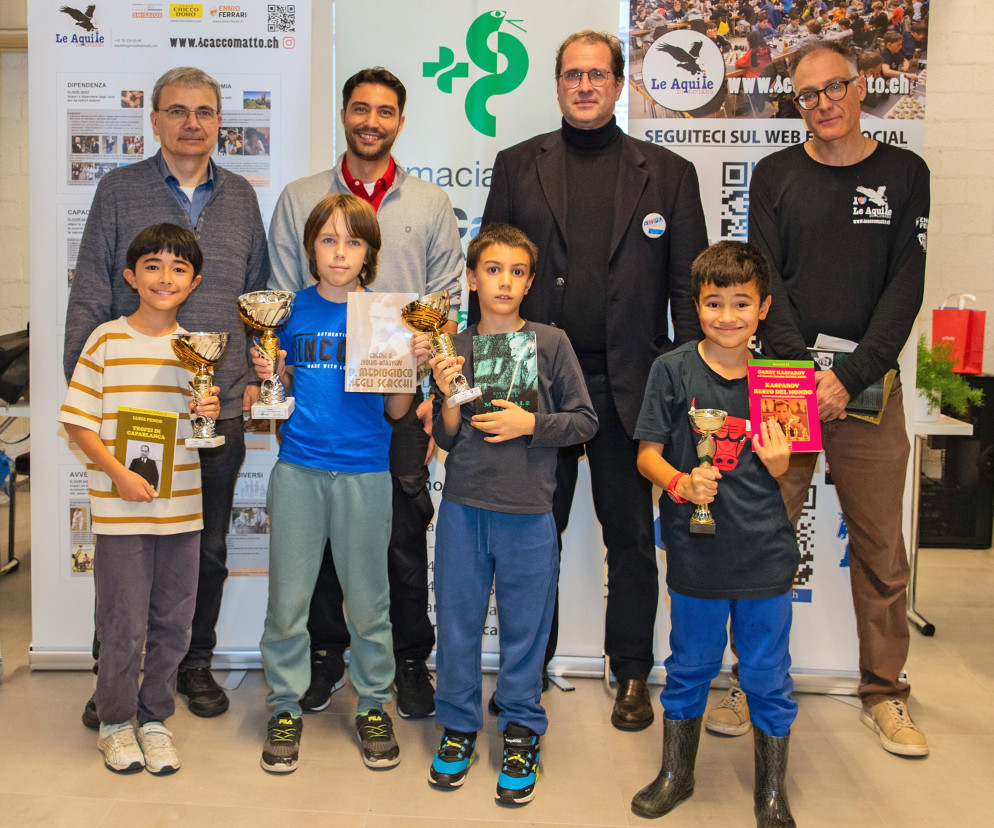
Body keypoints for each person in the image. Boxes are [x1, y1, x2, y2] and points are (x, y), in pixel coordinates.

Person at [481, 30, 708, 732]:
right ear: (557, 84)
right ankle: (527, 670)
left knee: (632, 537)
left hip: (628, 389)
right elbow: (488, 279)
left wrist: (688, 390)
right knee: (531, 537)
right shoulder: (519, 165)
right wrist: (483, 382)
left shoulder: (667, 173)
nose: (585, 85)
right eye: (573, 74)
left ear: (617, 85)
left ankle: (633, 673)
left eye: (598, 74)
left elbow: (687, 292)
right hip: (534, 388)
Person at [715, 41, 930, 757]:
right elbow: (764, 281)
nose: (824, 103)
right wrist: (808, 377)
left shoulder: (906, 173)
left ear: (861, 84)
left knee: (879, 548)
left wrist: (853, 373)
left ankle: (884, 692)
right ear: (795, 103)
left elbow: (905, 289)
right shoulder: (775, 175)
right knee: (762, 537)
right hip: (784, 385)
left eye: (835, 87)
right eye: (808, 95)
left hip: (871, 387)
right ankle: (751, 681)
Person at [64, 66, 270, 727]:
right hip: (135, 416)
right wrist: (88, 391)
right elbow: (92, 294)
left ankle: (193, 663)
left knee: (202, 548)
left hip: (217, 410)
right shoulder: (119, 190)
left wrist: (256, 369)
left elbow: (256, 295)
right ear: (153, 121)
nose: (192, 122)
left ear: (219, 124)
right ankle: (114, 681)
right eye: (177, 111)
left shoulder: (240, 197)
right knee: (130, 553)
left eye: (205, 112)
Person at [267, 67, 463, 719]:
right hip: (318, 401)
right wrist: (278, 378)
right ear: (344, 115)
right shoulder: (299, 197)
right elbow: (282, 301)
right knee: (313, 551)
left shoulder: (431, 204)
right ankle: (323, 658)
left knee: (401, 539)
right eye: (360, 109)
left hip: (395, 398)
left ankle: (407, 662)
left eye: (385, 111)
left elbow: (446, 301)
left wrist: (430, 377)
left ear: (399, 121)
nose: (371, 120)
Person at [254, 193, 430, 774]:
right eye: (328, 240)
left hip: (364, 474)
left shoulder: (384, 317)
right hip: (300, 470)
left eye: (353, 241)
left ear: (369, 253)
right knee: (288, 602)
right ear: (310, 248)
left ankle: (374, 704)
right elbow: (269, 403)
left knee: (370, 604)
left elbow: (397, 411)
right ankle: (284, 705)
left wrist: (411, 362)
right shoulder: (287, 314)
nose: (339, 252)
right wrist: (266, 376)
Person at [426, 223, 597, 805]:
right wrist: (445, 397)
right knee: (457, 624)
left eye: (517, 271)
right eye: (492, 270)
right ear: (472, 279)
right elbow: (448, 439)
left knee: (527, 629)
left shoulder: (551, 342)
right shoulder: (454, 347)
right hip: (463, 509)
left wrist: (532, 425)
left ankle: (522, 727)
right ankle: (458, 725)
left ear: (529, 282)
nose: (504, 281)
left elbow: (585, 420)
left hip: (528, 512)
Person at [630, 241, 798, 824]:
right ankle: (676, 774)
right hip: (695, 550)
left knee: (765, 675)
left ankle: (770, 791)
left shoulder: (781, 380)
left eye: (741, 304)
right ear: (695, 306)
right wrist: (679, 483)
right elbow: (646, 456)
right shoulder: (671, 370)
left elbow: (784, 468)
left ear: (764, 308)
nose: (727, 317)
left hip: (765, 553)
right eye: (713, 303)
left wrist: (780, 464)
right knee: (690, 667)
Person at [59, 224, 221, 775]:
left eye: (179, 268)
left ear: (194, 283)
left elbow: (196, 427)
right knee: (122, 623)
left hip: (182, 513)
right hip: (122, 511)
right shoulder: (105, 339)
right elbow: (78, 423)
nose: (165, 277)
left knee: (174, 622)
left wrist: (207, 413)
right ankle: (113, 723)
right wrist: (118, 475)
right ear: (131, 276)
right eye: (153, 265)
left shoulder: (195, 350)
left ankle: (153, 719)